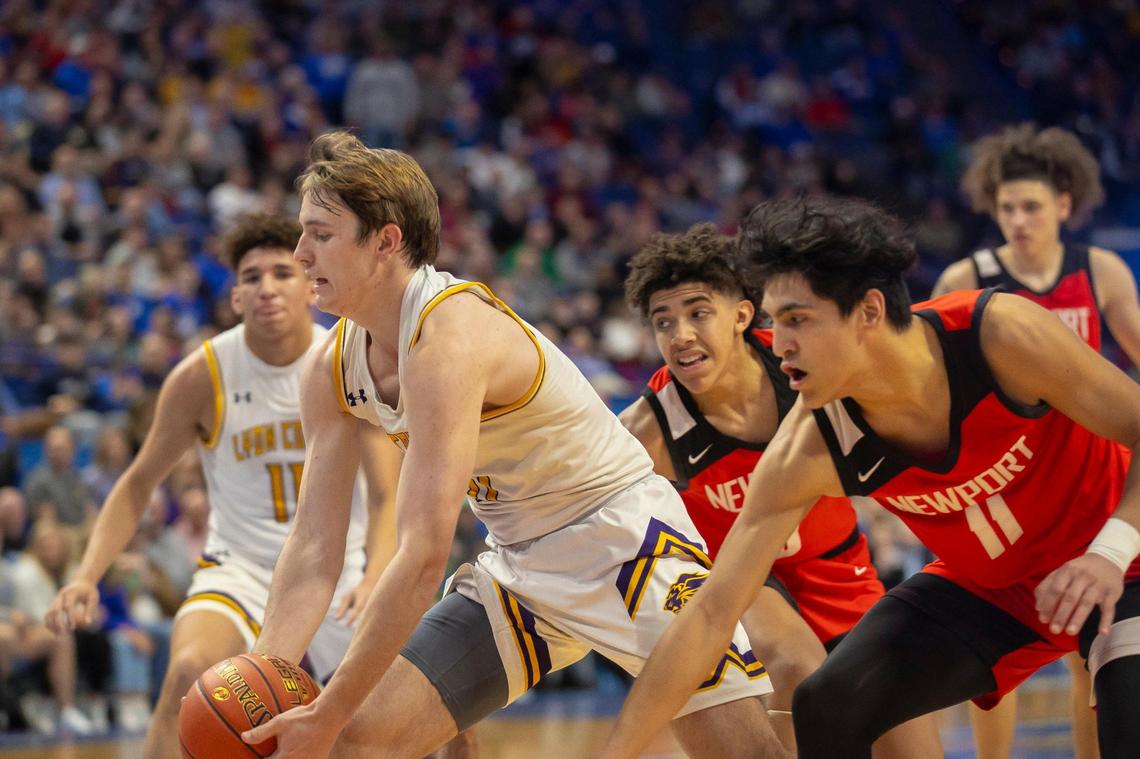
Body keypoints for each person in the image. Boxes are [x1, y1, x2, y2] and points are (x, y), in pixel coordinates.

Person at [240, 131, 783, 759]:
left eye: (320, 234)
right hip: (519, 565)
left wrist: (325, 711)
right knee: (355, 743)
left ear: (386, 241)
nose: (301, 252)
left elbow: (422, 555)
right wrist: (261, 681)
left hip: (622, 544)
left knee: (749, 756)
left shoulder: (449, 336)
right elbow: (312, 547)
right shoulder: (328, 369)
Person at [600, 196, 1140, 759]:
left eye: (797, 321)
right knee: (827, 700)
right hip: (991, 589)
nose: (779, 343)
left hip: (1121, 561)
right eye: (775, 322)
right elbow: (712, 612)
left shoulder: (997, 333)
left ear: (869, 311)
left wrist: (1112, 549)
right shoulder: (809, 439)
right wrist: (614, 754)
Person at [44, 215, 397, 759]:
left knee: (400, 714)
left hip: (340, 568)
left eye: (282, 272)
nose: (267, 287)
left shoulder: (349, 359)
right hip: (241, 566)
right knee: (189, 672)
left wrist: (375, 576)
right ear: (234, 297)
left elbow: (384, 494)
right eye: (251, 277)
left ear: (310, 285)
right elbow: (138, 484)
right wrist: (86, 574)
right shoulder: (202, 375)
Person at [619, 223, 941, 756]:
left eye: (698, 313)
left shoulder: (806, 366)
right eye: (664, 322)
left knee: (911, 740)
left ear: (743, 315)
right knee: (799, 669)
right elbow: (588, 505)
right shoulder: (652, 426)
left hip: (838, 565)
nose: (680, 335)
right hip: (745, 578)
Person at [934, 122, 1140, 759]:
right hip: (1008, 479)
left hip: (1091, 473)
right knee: (990, 661)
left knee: (1089, 648)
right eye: (1006, 208)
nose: (1018, 220)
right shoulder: (964, 277)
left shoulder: (1097, 268)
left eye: (1030, 206)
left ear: (1063, 206)